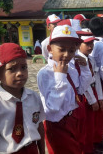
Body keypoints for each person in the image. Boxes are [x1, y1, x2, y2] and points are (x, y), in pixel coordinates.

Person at [37, 25, 92, 154]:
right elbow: (52, 107)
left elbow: (81, 89)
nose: (67, 55)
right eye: (62, 49)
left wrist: (84, 69)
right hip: (58, 123)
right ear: (50, 49)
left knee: (78, 148)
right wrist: (60, 76)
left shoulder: (71, 68)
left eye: (72, 51)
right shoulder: (45, 73)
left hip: (74, 117)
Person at [0, 43, 45, 154]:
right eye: (12, 69)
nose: (20, 73)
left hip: (32, 149)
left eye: (24, 67)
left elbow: (39, 126)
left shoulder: (34, 97)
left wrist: (42, 151)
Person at [77, 35, 103, 154]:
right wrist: (92, 100)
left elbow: (96, 79)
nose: (90, 47)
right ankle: (86, 150)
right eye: (87, 44)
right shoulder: (78, 60)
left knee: (92, 123)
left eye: (92, 44)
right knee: (85, 126)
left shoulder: (91, 59)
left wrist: (100, 97)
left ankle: (91, 147)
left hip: (94, 91)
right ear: (79, 45)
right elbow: (84, 83)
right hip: (85, 94)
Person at [88, 17, 103, 150]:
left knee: (94, 114)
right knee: (100, 113)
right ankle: (96, 139)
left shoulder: (93, 43)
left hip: (94, 81)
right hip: (100, 82)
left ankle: (97, 136)